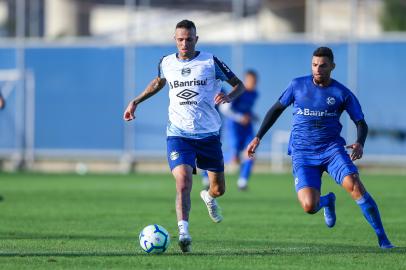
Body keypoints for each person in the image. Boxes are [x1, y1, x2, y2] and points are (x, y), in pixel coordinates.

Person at [246, 47, 394, 249]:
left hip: (331, 150)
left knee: (355, 185)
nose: (317, 69)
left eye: (323, 65)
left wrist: (360, 142)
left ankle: (383, 239)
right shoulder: (297, 85)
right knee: (309, 206)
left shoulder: (342, 93)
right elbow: (276, 110)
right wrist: (258, 137)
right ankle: (327, 201)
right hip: (303, 152)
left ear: (332, 66)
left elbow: (361, 122)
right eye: (314, 65)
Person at [123, 20, 245, 253]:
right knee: (183, 182)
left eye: (189, 39)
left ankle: (208, 197)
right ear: (175, 40)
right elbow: (158, 82)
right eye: (180, 39)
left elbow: (238, 85)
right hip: (179, 134)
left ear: (196, 39)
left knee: (219, 189)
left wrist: (229, 97)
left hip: (209, 135)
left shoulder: (210, 61)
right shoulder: (167, 63)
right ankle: (184, 232)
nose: (184, 43)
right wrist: (136, 101)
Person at [220, 70, 258, 190]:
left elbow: (247, 109)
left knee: (251, 152)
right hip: (234, 126)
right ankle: (213, 161)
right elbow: (224, 108)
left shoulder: (254, 94)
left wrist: (252, 116)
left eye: (255, 81)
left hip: (247, 127)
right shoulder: (239, 92)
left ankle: (242, 181)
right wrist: (240, 117)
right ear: (246, 80)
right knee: (234, 157)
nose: (253, 83)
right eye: (251, 81)